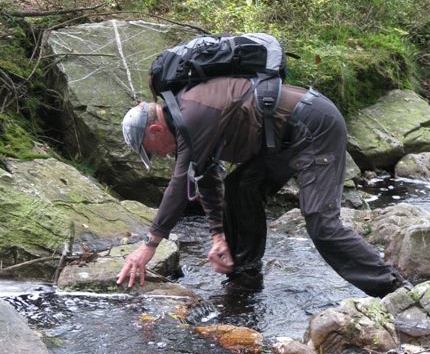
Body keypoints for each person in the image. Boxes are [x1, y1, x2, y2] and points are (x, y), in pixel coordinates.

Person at [116, 76, 407, 296]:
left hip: (314, 125)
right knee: (240, 188)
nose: (161, 155)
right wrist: (218, 237)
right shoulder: (185, 122)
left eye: (152, 150)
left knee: (321, 223)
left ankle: (395, 290)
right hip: (283, 138)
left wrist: (150, 244)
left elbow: (178, 186)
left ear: (155, 130)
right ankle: (245, 276)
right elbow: (205, 179)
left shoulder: (192, 114)